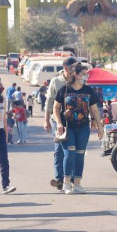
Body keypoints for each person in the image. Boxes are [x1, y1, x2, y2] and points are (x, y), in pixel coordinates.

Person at [54, 62, 104, 194]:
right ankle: (66, 183)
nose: (85, 76)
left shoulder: (88, 90)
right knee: (70, 154)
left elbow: (94, 109)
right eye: (83, 74)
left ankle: (77, 184)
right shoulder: (64, 89)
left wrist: (100, 126)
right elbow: (56, 107)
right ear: (76, 74)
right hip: (67, 127)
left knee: (80, 155)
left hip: (83, 128)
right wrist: (59, 123)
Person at [43, 56, 78, 190]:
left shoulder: (78, 81)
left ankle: (72, 178)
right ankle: (59, 179)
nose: (75, 69)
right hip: (57, 120)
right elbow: (49, 101)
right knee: (59, 150)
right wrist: (46, 120)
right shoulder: (56, 82)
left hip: (74, 121)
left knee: (72, 150)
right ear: (66, 68)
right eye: (73, 67)